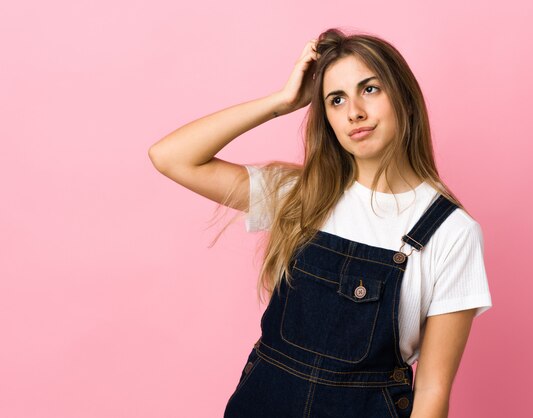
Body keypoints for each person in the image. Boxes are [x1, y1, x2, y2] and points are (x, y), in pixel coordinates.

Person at [149, 27, 492, 418]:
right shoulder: (301, 195)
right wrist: (281, 102)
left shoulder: (452, 232)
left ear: (405, 99)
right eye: (335, 99)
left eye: (370, 89)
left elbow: (432, 389)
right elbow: (171, 156)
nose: (354, 113)